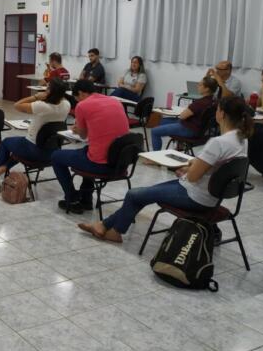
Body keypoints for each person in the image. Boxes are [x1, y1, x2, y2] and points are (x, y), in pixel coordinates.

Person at [78, 96, 251, 242]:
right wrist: (192, 166)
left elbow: (192, 177)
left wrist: (187, 170)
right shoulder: (241, 139)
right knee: (144, 193)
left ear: (221, 114)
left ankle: (114, 232)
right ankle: (104, 226)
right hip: (212, 196)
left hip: (195, 196)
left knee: (134, 195)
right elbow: (214, 166)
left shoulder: (218, 143)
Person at [50, 80, 129, 213]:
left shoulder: (83, 105)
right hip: (121, 163)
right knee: (87, 151)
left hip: (101, 165)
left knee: (56, 156)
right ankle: (86, 199)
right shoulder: (115, 101)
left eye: (76, 98)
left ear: (80, 93)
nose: (77, 101)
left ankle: (72, 198)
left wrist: (77, 130)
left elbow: (82, 136)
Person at [0, 79, 70, 191]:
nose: (45, 88)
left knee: (6, 142)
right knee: (18, 150)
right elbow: (58, 102)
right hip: (52, 152)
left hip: (34, 149)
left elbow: (17, 105)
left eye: (48, 87)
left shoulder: (42, 106)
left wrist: (36, 97)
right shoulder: (66, 105)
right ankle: (0, 170)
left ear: (50, 92)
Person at [150, 77, 218, 151]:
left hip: (189, 129)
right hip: (200, 130)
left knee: (154, 131)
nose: (197, 86)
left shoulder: (199, 103)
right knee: (163, 121)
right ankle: (180, 145)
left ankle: (154, 156)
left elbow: (182, 116)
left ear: (207, 89)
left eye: (200, 85)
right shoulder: (214, 101)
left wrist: (186, 110)